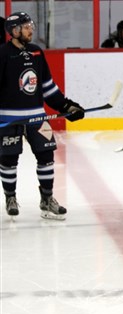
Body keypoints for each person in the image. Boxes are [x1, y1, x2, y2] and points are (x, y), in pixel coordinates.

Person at [0, 12, 85, 220]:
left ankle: (47, 198)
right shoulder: (2, 53)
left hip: (37, 116)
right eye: (26, 26)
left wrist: (67, 106)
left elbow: (47, 87)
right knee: (9, 159)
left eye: (31, 26)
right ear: (14, 30)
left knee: (46, 157)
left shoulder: (37, 53)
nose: (31, 30)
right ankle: (10, 197)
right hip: (9, 118)